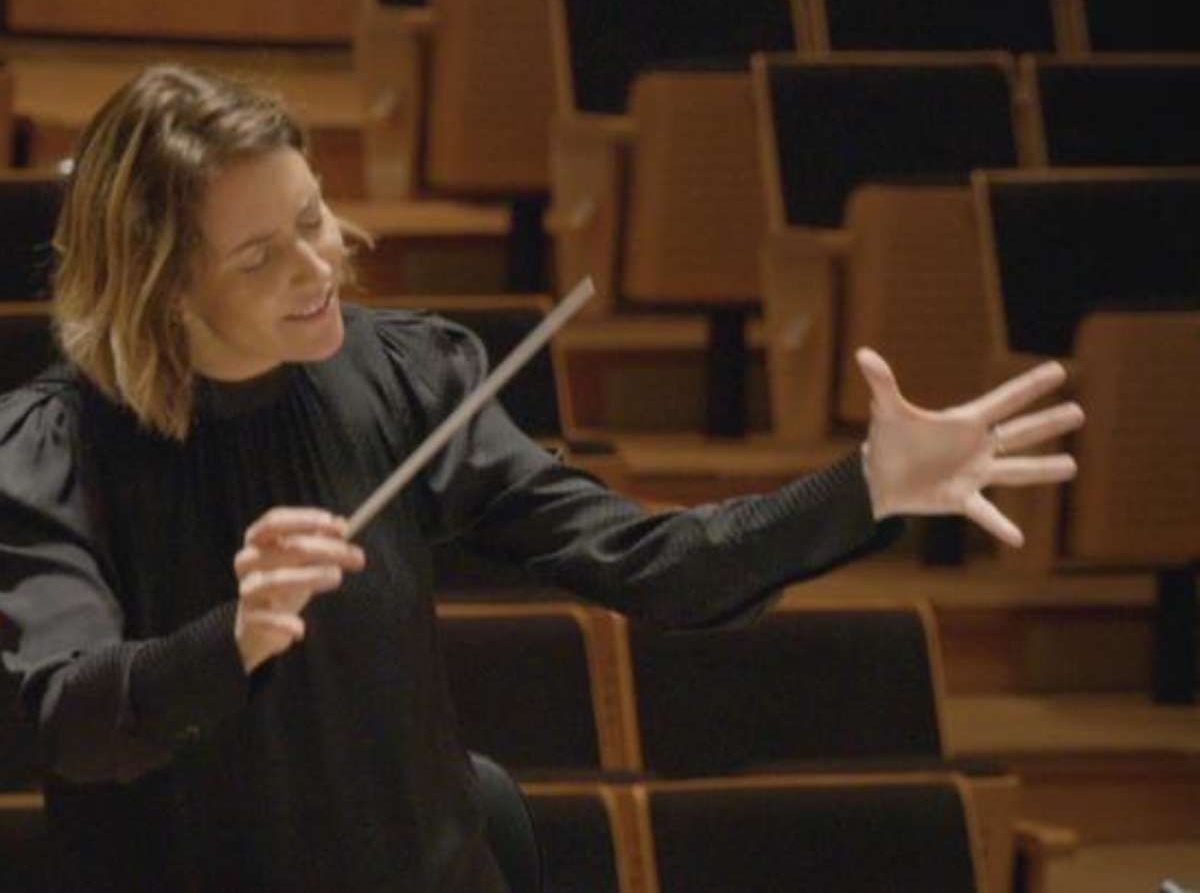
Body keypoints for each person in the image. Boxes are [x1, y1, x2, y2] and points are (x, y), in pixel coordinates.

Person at [0, 63, 1084, 892]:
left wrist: (866, 487)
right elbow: (67, 721)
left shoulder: (401, 375)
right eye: (258, 256)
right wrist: (230, 639)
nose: (319, 265)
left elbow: (653, 562)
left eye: (313, 216)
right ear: (162, 287)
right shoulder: (59, 454)